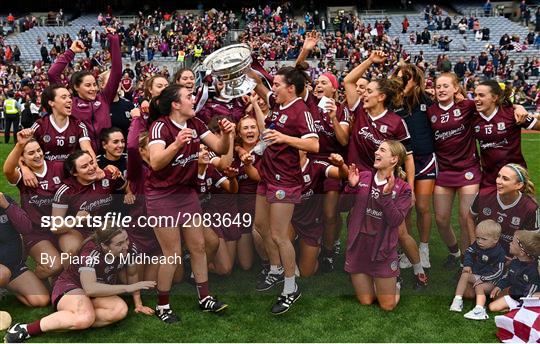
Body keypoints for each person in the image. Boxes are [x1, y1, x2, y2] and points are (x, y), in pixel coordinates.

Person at [146, 84, 233, 323]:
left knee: (199, 247)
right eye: (188, 97)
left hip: (186, 194)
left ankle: (204, 298)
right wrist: (176, 144)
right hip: (161, 196)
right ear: (175, 104)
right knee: (172, 254)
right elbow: (155, 163)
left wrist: (226, 134)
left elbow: (220, 148)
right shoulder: (160, 127)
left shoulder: (196, 124)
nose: (193, 99)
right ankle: (163, 306)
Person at [4, 225, 155, 343]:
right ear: (104, 246)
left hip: (94, 289)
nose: (126, 246)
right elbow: (90, 288)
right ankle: (25, 329)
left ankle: (69, 318)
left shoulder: (129, 249)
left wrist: (138, 304)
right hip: (72, 286)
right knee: (84, 318)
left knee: (119, 310)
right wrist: (128, 288)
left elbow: (133, 274)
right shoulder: (91, 253)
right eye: (120, 243)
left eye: (127, 240)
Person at [250, 63, 319, 314]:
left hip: (285, 180)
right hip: (267, 175)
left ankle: (291, 287)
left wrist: (284, 138)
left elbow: (313, 145)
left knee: (280, 235)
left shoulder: (301, 110)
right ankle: (276, 269)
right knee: (260, 225)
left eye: (277, 84)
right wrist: (242, 66)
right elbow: (258, 85)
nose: (273, 88)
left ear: (291, 88)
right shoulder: (279, 103)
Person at [345, 140, 412, 311]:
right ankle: (380, 284)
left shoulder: (403, 189)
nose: (376, 152)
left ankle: (395, 284)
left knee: (387, 306)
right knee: (366, 301)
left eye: (382, 150)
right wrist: (351, 188)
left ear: (394, 159)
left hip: (382, 249)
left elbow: (396, 221)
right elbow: (343, 207)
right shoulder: (364, 176)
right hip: (359, 246)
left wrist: (386, 197)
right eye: (377, 149)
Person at [428, 73, 481, 270]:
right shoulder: (430, 110)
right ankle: (454, 251)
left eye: (445, 86)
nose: (441, 90)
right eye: (438, 86)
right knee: (441, 219)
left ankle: (466, 262)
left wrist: (517, 107)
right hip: (444, 171)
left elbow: (490, 105)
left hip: (468, 170)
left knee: (466, 218)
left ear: (455, 89)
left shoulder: (466, 106)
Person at [391, 63, 435, 280]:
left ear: (416, 80)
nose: (402, 82)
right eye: (399, 78)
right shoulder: (391, 101)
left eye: (406, 78)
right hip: (401, 161)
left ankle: (424, 248)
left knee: (423, 206)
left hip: (425, 158)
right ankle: (407, 252)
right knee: (406, 207)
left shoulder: (427, 101)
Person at [3, 129, 65, 279]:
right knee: (55, 265)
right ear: (22, 158)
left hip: (62, 228)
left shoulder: (58, 167)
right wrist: (19, 146)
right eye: (31, 153)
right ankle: (32, 277)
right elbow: (8, 171)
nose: (37, 155)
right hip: (37, 233)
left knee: (74, 262)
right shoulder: (22, 175)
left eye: (39, 150)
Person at [47, 28, 121, 151]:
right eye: (88, 85)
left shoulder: (104, 98)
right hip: (81, 158)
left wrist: (113, 39)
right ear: (76, 87)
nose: (93, 89)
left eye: (94, 84)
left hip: (106, 157)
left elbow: (117, 72)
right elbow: (52, 74)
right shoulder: (69, 102)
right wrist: (71, 51)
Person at [51, 150, 124, 256]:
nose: (91, 168)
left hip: (105, 226)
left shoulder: (107, 176)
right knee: (72, 250)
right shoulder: (66, 191)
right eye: (84, 166)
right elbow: (55, 227)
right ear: (74, 172)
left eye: (91, 162)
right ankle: (71, 272)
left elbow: (127, 187)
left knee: (123, 246)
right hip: (77, 230)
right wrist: (76, 220)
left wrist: (126, 189)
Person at [472, 80, 539, 188]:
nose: (476, 99)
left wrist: (518, 107)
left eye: (481, 95)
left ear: (495, 98)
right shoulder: (473, 117)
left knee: (518, 205)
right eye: (475, 95)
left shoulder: (512, 113)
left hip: (515, 177)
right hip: (488, 179)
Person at [469, 164, 539, 254]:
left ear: (518, 185)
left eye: (505, 179)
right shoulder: (484, 195)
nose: (498, 181)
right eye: (498, 176)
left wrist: (516, 258)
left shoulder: (530, 208)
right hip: (482, 251)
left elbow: (532, 239)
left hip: (511, 256)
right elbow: (470, 218)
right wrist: (474, 243)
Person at [0, 192, 50, 308]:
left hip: (14, 265)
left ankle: (6, 287)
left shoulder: (5, 199)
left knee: (41, 299)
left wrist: (6, 206)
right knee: (2, 274)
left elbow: (26, 228)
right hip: (2, 270)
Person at [449, 220, 505, 320]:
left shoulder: (499, 252)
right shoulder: (477, 244)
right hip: (478, 274)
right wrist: (467, 265)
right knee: (464, 275)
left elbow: (499, 271)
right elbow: (469, 252)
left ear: (495, 240)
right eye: (478, 237)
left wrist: (483, 279)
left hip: (491, 280)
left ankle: (479, 310)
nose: (479, 241)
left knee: (479, 286)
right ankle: (457, 300)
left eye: (483, 239)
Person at [31, 85, 96, 162]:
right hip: (46, 172)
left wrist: (95, 166)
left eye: (69, 97)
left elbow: (87, 149)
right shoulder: (39, 125)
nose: (70, 100)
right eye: (64, 97)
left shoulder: (78, 125)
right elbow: (24, 152)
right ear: (51, 103)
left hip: (71, 172)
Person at [489, 231, 540, 312]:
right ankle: (512, 308)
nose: (510, 243)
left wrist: (522, 301)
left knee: (493, 307)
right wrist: (499, 286)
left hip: (525, 298)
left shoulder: (533, 269)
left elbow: (532, 289)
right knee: (493, 305)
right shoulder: (514, 262)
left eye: (513, 242)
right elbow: (508, 277)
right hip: (514, 294)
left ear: (522, 252)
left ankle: (518, 308)